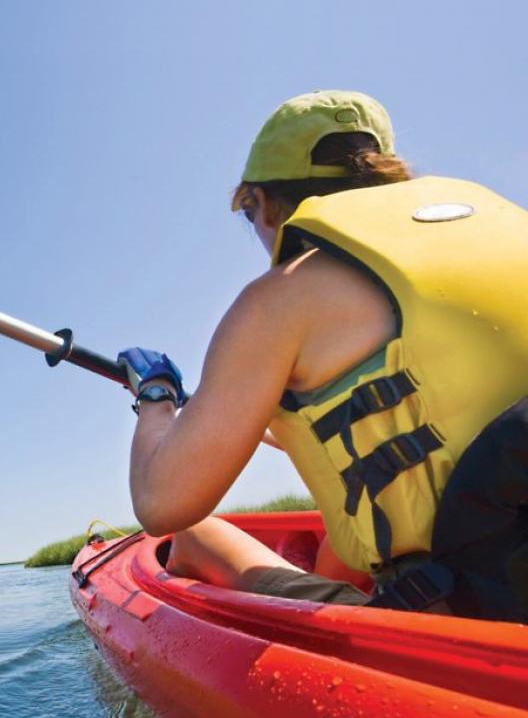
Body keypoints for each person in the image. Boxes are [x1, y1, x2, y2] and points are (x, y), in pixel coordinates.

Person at [119, 90, 528, 621]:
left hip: (472, 610)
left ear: (264, 203)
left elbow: (161, 504)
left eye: (248, 213)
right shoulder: (507, 233)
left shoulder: (283, 298)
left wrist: (156, 396)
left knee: (194, 535)